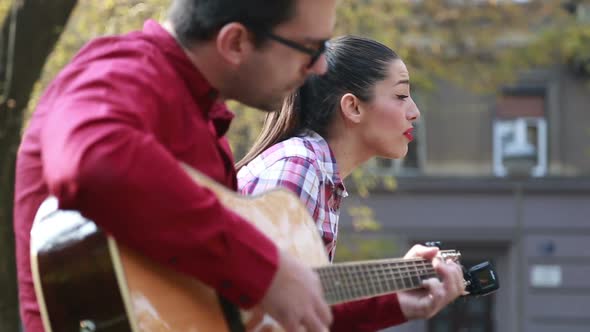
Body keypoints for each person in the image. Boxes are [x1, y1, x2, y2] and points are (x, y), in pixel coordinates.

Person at [13, 1, 338, 331]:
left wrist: (390, 302)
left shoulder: (204, 115)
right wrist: (265, 269)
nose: (322, 67)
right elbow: (93, 161)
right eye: (311, 48)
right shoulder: (121, 72)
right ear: (235, 42)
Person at [237, 35, 466, 331]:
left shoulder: (317, 172)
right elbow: (259, 306)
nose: (415, 111)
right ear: (353, 107)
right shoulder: (299, 165)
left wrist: (398, 292)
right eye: (401, 96)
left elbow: (296, 313)